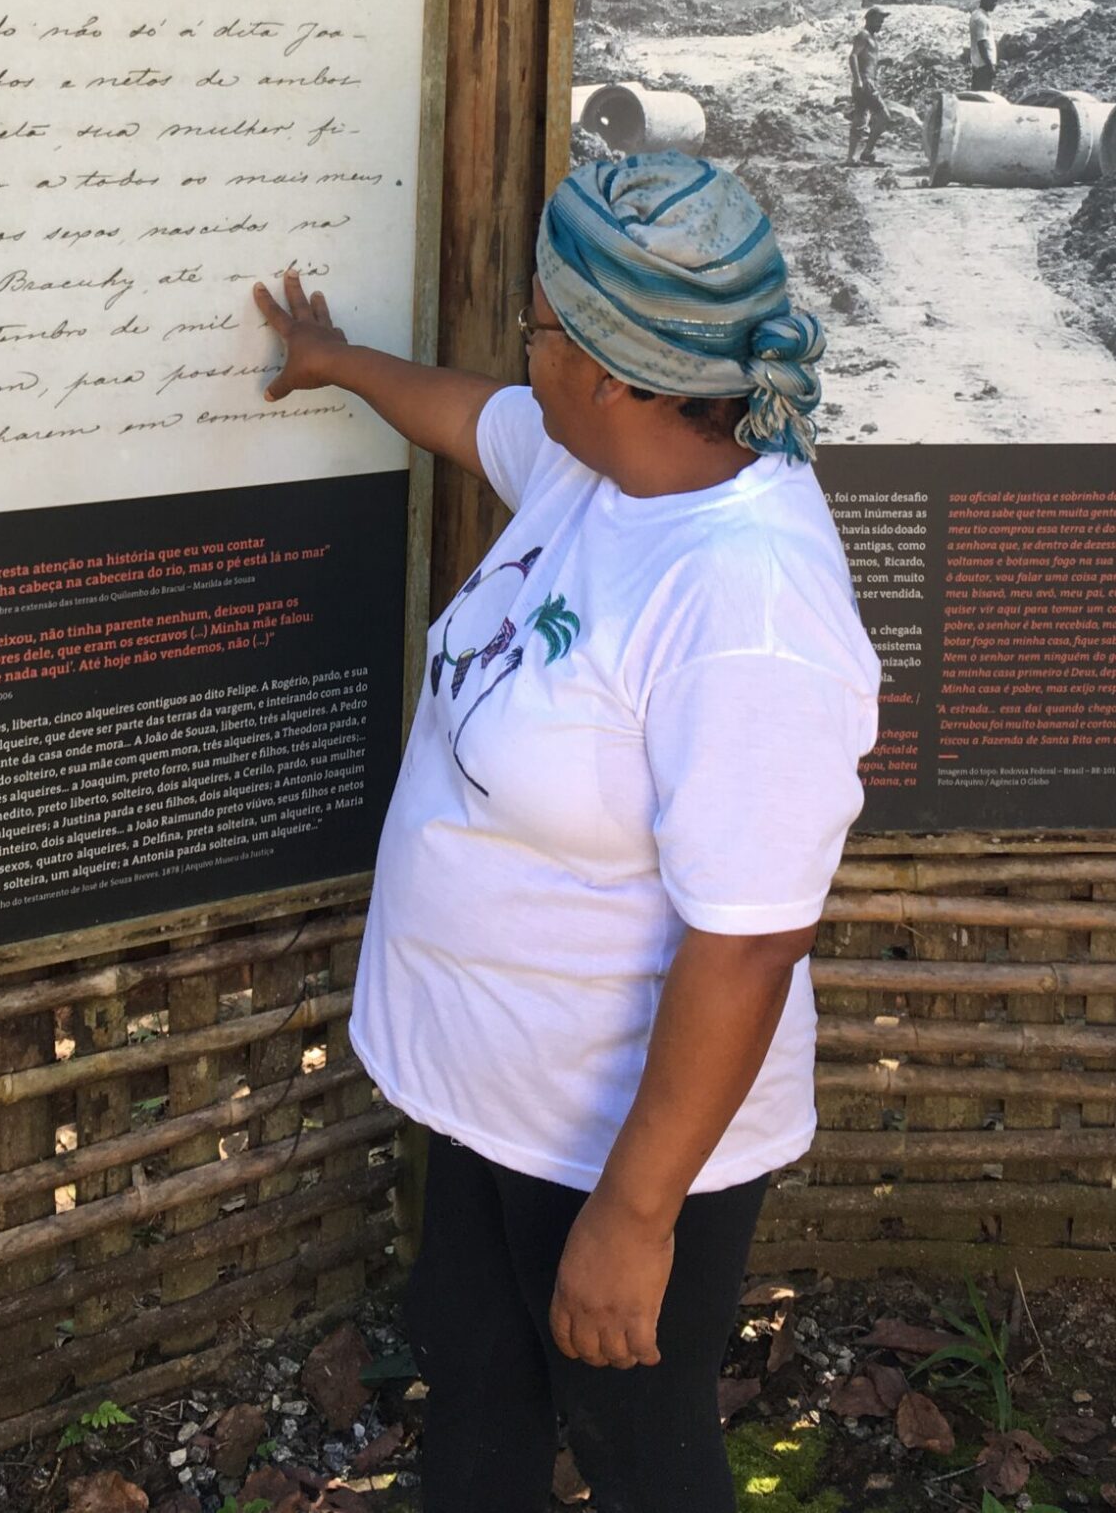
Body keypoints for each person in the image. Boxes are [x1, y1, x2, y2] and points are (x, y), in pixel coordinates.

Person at [253, 154, 880, 1513]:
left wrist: (632, 1216)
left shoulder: (744, 607)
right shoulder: (601, 469)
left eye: (537, 323)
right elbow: (472, 416)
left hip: (615, 1148)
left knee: (638, 1450)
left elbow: (747, 944)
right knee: (477, 1388)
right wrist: (338, 360)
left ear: (609, 367)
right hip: (494, 1098)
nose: (519, 344)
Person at [847, 4, 889, 166]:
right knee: (884, 116)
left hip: (865, 82)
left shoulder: (871, 37)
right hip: (865, 82)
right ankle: (867, 152)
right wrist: (857, 79)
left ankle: (851, 158)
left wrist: (883, 62)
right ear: (869, 19)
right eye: (878, 21)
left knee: (860, 118)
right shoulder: (863, 36)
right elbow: (853, 57)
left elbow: (867, 59)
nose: (880, 24)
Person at [967, 0, 1000, 92]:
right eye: (993, 1)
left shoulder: (976, 14)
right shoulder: (982, 19)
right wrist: (990, 66)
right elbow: (982, 44)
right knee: (983, 97)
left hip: (977, 64)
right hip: (983, 66)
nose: (995, 4)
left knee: (976, 96)